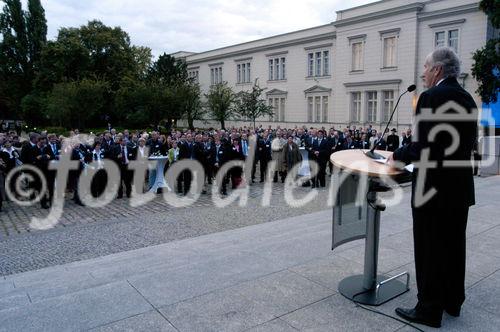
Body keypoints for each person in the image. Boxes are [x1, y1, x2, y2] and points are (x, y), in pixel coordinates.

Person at [389, 47, 477, 328]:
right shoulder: (468, 99)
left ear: (438, 69)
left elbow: (424, 146)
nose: (423, 73)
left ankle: (428, 309)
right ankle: (452, 301)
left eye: (426, 68)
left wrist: (397, 155)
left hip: (432, 190)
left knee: (429, 250)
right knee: (453, 247)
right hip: (459, 189)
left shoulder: (431, 97)